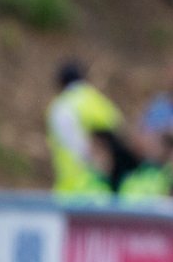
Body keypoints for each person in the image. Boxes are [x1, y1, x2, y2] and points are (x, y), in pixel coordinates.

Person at [45, 60, 124, 196]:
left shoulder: (57, 107)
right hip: (98, 187)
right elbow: (119, 134)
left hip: (67, 189)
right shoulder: (96, 100)